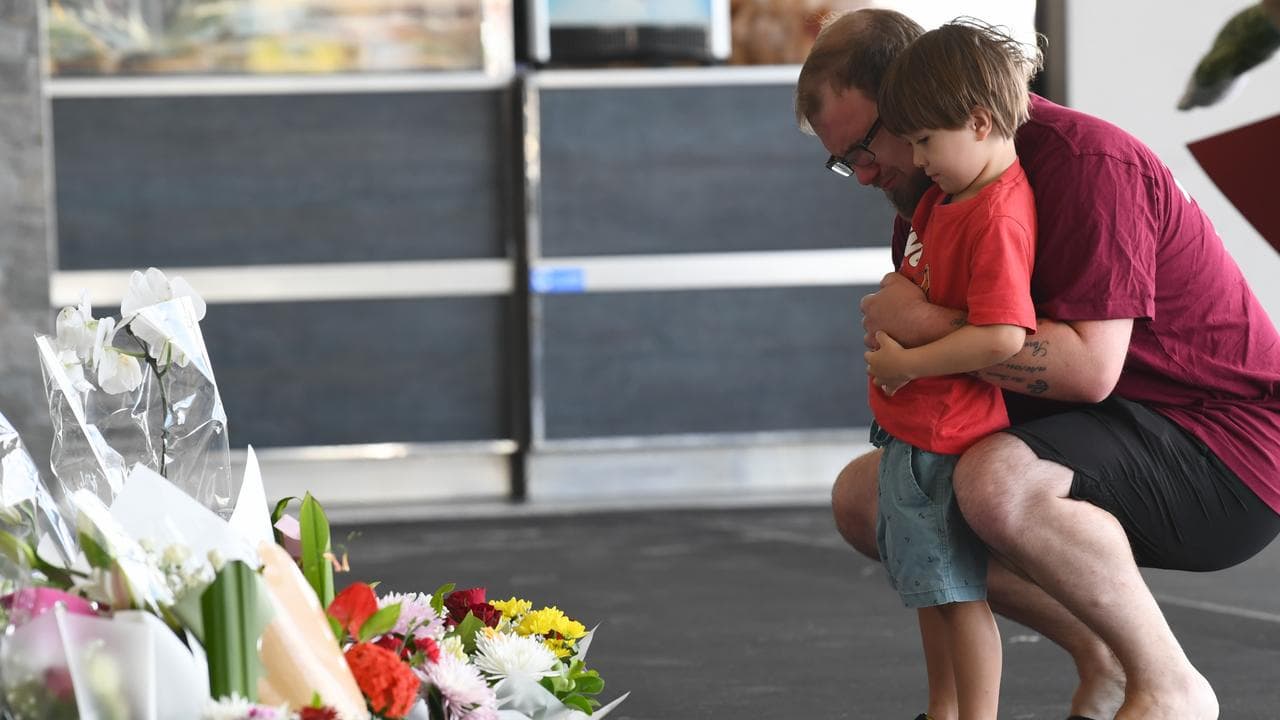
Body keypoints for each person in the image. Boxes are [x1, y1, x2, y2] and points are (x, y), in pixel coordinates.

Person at [794, 8, 1280, 720]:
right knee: (874, 498)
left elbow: (1087, 371)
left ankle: (1171, 686)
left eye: (868, 149)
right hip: (1103, 422)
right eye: (846, 162)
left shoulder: (1086, 163)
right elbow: (947, 374)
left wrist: (921, 326)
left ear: (917, 97)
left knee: (998, 484)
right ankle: (1103, 661)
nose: (866, 176)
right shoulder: (930, 198)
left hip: (1231, 448)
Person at [862, 20, 1041, 720]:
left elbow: (1000, 335)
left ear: (979, 120)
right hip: (911, 432)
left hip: (945, 433)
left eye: (927, 142)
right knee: (928, 591)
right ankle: (943, 708)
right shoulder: (948, 198)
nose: (916, 158)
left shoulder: (996, 215)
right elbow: (921, 280)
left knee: (958, 597)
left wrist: (910, 360)